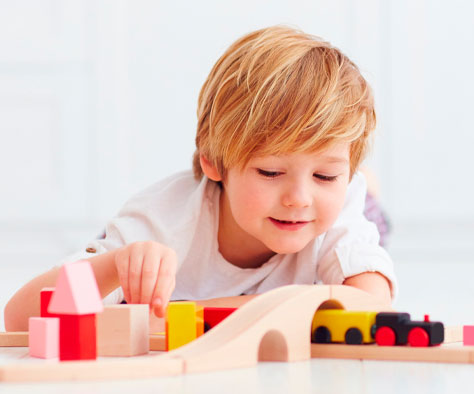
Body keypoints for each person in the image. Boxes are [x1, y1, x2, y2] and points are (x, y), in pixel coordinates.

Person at [4, 26, 396, 332]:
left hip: (346, 216)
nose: (299, 197)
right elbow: (21, 319)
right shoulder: (161, 223)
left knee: (369, 216)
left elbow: (371, 304)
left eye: (325, 174)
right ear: (213, 163)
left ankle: (366, 184)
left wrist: (203, 315)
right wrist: (115, 266)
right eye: (271, 172)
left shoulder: (337, 201)